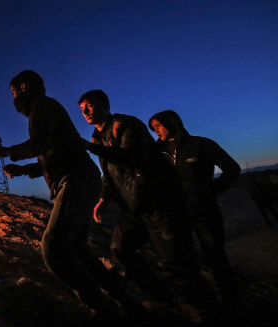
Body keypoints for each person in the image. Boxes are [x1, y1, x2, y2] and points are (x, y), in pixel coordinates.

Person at [0, 70, 124, 316]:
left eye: (14, 92)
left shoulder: (42, 107)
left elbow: (41, 144)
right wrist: (23, 170)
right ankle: (124, 302)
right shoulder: (46, 109)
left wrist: (7, 151)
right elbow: (54, 154)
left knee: (54, 249)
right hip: (82, 177)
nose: (13, 99)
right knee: (78, 250)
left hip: (76, 180)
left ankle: (104, 311)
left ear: (25, 89)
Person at [78, 90, 210, 304]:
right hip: (134, 207)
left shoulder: (126, 125)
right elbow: (110, 173)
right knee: (120, 249)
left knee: (176, 262)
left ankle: (207, 315)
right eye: (81, 108)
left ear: (104, 105)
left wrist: (91, 148)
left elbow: (133, 158)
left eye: (89, 106)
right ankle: (161, 299)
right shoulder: (97, 137)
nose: (84, 111)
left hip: (158, 202)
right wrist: (103, 199)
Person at [149, 110, 241, 302]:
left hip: (204, 211)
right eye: (152, 128)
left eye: (158, 126)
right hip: (175, 214)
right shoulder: (156, 153)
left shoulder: (200, 144)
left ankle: (232, 301)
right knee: (185, 260)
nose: (155, 131)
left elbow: (232, 169)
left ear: (172, 123)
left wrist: (212, 190)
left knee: (215, 257)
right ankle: (204, 303)